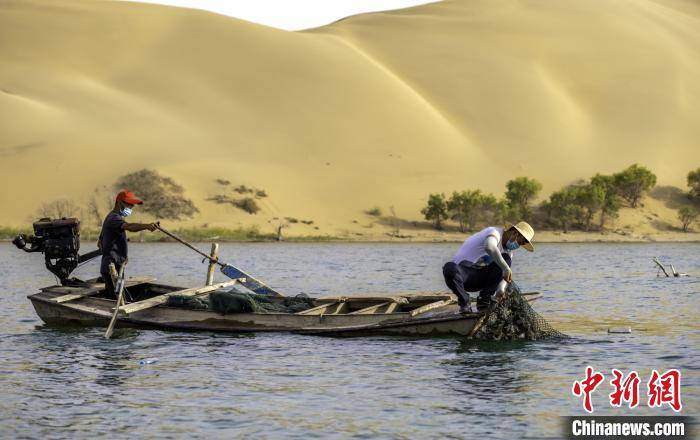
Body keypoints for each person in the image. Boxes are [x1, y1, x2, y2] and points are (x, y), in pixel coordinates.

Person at [442, 221, 535, 314]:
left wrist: (501, 289)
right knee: (449, 267)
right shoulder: (494, 232)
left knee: (506, 259)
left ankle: (484, 300)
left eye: (522, 244)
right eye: (520, 241)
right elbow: (489, 247)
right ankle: (464, 302)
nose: (518, 245)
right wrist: (505, 268)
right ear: (515, 233)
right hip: (463, 275)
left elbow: (505, 275)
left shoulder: (508, 252)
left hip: (480, 278)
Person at [98, 190, 158, 298]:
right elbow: (129, 227)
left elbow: (100, 243)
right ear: (119, 202)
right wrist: (147, 226)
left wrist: (121, 256)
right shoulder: (114, 218)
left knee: (117, 296)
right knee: (117, 299)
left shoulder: (111, 218)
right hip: (112, 269)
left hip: (116, 267)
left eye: (132, 205)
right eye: (128, 204)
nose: (131, 207)